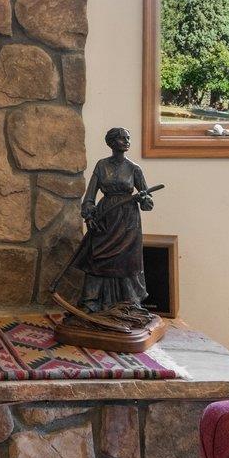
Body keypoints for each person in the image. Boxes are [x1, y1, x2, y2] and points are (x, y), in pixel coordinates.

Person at [62, 127, 159, 339]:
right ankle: (91, 303)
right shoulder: (101, 165)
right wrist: (89, 216)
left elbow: (148, 204)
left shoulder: (134, 168)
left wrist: (144, 198)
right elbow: (89, 197)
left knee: (127, 262)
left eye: (128, 138)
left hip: (128, 222)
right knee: (97, 258)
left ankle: (129, 304)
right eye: (121, 138)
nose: (126, 141)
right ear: (111, 142)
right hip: (105, 218)